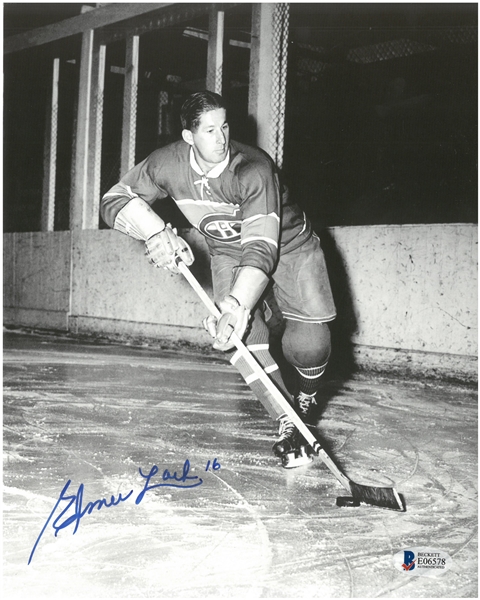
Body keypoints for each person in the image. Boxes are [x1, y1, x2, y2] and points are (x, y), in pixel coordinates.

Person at [100, 91, 336, 468]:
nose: (222, 138)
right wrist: (155, 232)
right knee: (237, 337)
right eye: (209, 130)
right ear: (188, 137)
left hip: (291, 245)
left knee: (308, 347)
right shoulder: (167, 163)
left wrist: (239, 303)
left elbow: (261, 248)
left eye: (224, 126)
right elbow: (114, 199)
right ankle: (287, 419)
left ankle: (306, 395)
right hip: (228, 251)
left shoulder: (253, 168)